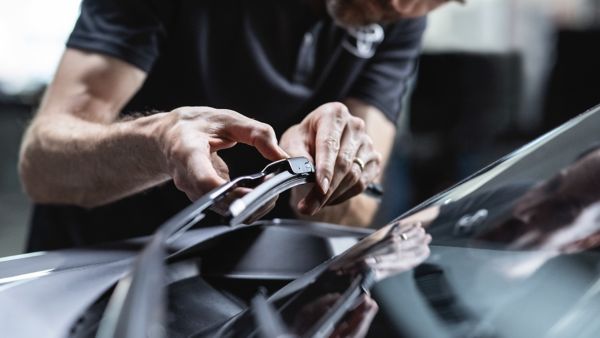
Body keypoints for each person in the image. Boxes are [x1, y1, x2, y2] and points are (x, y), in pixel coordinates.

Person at [19, 0, 455, 251]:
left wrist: (326, 175)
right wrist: (160, 142)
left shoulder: (400, 17)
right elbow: (42, 164)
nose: (402, 4)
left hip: (237, 291)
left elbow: (357, 207)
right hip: (96, 270)